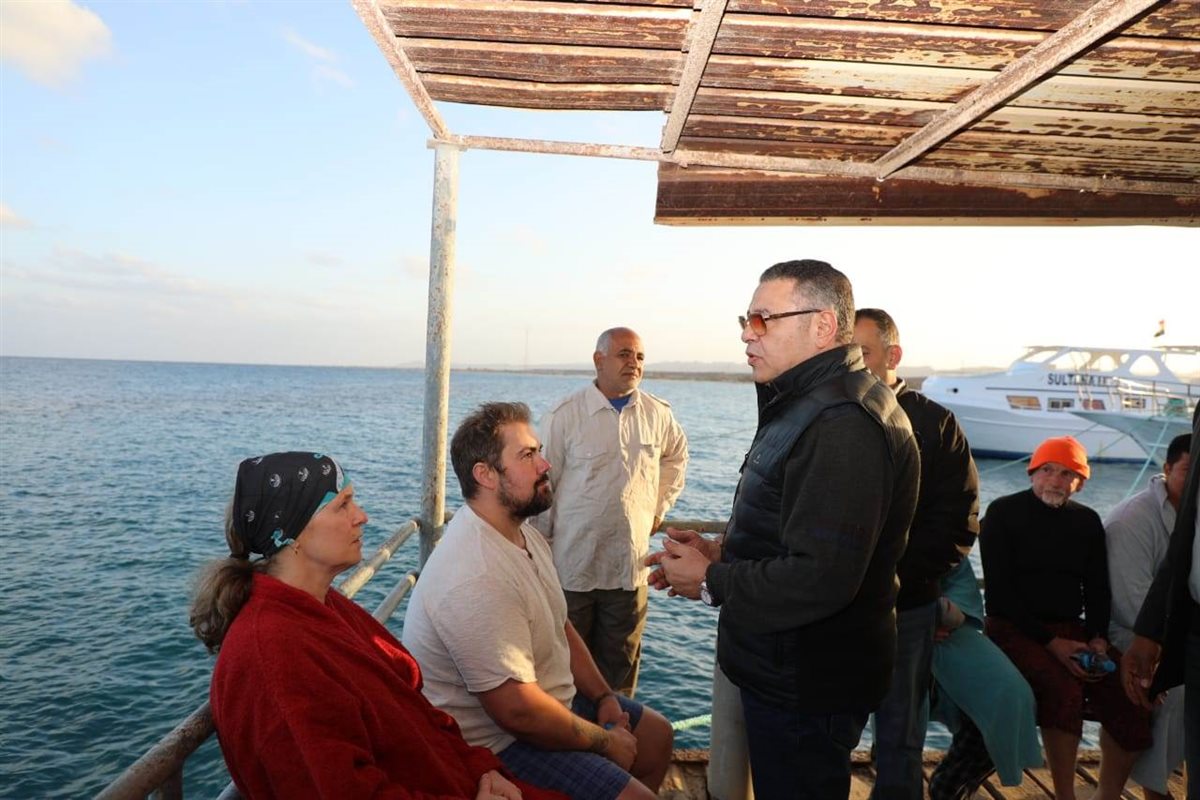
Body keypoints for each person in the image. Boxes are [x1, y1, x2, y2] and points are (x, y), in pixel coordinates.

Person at [647, 259, 920, 800]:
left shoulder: (843, 423)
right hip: (794, 670)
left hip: (806, 681)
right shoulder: (810, 404)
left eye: (763, 320)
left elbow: (822, 577)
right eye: (745, 320)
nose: (747, 334)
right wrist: (722, 552)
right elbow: (798, 528)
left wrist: (712, 580)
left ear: (822, 326)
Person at [190, 451, 565, 800]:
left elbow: (420, 713)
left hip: (461, 779)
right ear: (293, 533)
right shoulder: (273, 654)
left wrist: (482, 768)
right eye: (343, 505)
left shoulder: (323, 604)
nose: (362, 516)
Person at [402, 402, 674, 800]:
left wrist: (603, 696)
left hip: (545, 700)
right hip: (497, 742)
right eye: (528, 455)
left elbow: (559, 624)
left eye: (539, 451)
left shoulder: (523, 533)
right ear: (485, 475)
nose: (545, 465)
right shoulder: (474, 574)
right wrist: (606, 742)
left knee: (656, 737)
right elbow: (517, 712)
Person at [853, 308, 979, 800]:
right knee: (825, 729)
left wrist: (897, 578)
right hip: (833, 608)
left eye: (863, 352)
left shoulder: (936, 424)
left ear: (893, 355)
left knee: (901, 735)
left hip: (905, 608)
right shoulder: (829, 417)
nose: (852, 363)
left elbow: (960, 520)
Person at [980, 436, 1151, 800]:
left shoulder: (1086, 521)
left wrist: (1098, 639)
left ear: (1081, 483)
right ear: (1032, 473)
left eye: (1066, 474)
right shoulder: (1002, 513)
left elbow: (1097, 589)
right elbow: (1000, 594)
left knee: (1131, 692)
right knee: (1064, 690)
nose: (1055, 481)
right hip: (1012, 628)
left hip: (1072, 629)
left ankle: (1108, 793)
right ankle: (1065, 795)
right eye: (1047, 471)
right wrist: (1052, 644)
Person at [532, 326, 689, 697]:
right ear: (598, 360)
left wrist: (657, 507)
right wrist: (537, 552)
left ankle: (619, 733)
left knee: (620, 674)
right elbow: (542, 485)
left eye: (639, 356)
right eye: (623, 354)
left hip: (628, 570)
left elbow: (676, 457)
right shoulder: (565, 415)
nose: (633, 363)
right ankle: (571, 733)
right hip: (572, 569)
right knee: (564, 672)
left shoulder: (657, 414)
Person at [1107, 432, 1191, 800]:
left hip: (1182, 631)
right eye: (1188, 470)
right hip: (1128, 630)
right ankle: (1155, 789)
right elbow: (1132, 604)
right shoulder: (1133, 520)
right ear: (1167, 468)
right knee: (1179, 688)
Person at [925, 558, 1043, 800]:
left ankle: (952, 784)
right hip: (898, 641)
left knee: (1009, 695)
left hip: (951, 639)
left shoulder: (949, 547)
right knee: (900, 725)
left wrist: (940, 616)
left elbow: (960, 596)